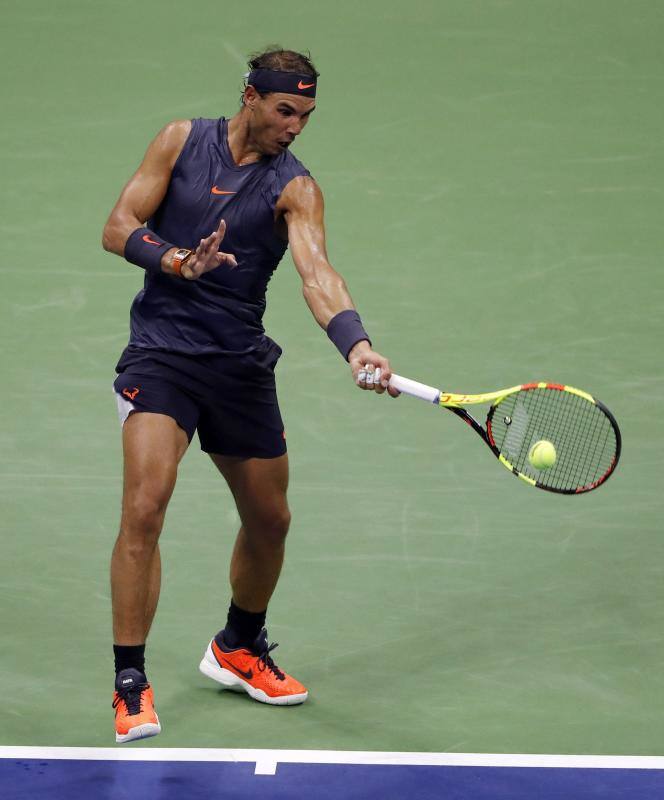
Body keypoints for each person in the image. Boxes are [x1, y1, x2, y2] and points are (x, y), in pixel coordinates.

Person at [102, 47, 398, 744]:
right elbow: (118, 227)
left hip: (237, 364)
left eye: (306, 115)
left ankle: (238, 645)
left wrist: (355, 343)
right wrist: (176, 260)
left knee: (270, 522)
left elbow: (316, 273)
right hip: (162, 353)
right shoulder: (181, 139)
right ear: (251, 97)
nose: (295, 126)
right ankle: (129, 682)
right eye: (284, 110)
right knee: (145, 504)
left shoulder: (296, 187)